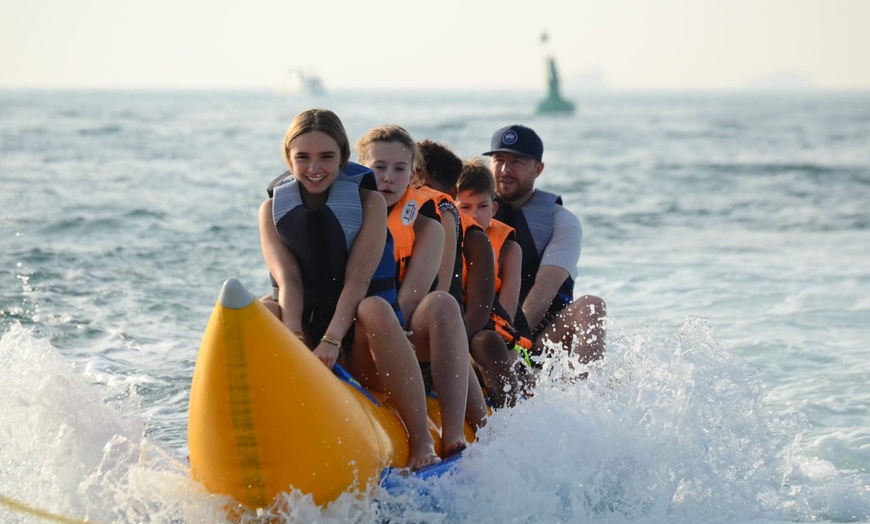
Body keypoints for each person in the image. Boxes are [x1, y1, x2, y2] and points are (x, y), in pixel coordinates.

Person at [258, 108, 439, 470]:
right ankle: (256, 433)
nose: (315, 168)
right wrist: (295, 336)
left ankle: (420, 440)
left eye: (327, 157)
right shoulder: (271, 210)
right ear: (288, 158)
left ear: (343, 158)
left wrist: (332, 341)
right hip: (308, 337)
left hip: (360, 346)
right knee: (263, 309)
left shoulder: (368, 202)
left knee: (373, 307)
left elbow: (358, 280)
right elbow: (288, 280)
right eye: (303, 157)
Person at [356, 125, 487, 453]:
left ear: (413, 176)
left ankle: (458, 434)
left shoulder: (429, 225)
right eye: (378, 167)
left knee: (442, 304)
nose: (387, 177)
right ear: (359, 169)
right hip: (356, 342)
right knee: (372, 310)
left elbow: (413, 299)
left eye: (399, 169)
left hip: (406, 338)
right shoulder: (344, 214)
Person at [483, 124, 607, 365]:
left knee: (592, 306)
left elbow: (546, 287)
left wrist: (515, 346)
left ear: (538, 169)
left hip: (539, 340)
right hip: (484, 334)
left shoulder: (561, 221)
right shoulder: (472, 211)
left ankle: (588, 394)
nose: (505, 169)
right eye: (499, 160)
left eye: (517, 161)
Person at [414, 140, 522, 409]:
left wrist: (452, 345)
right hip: (428, 328)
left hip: (471, 331)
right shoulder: (400, 221)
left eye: (421, 184)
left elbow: (479, 312)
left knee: (486, 341)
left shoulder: (475, 240)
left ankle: (510, 415)